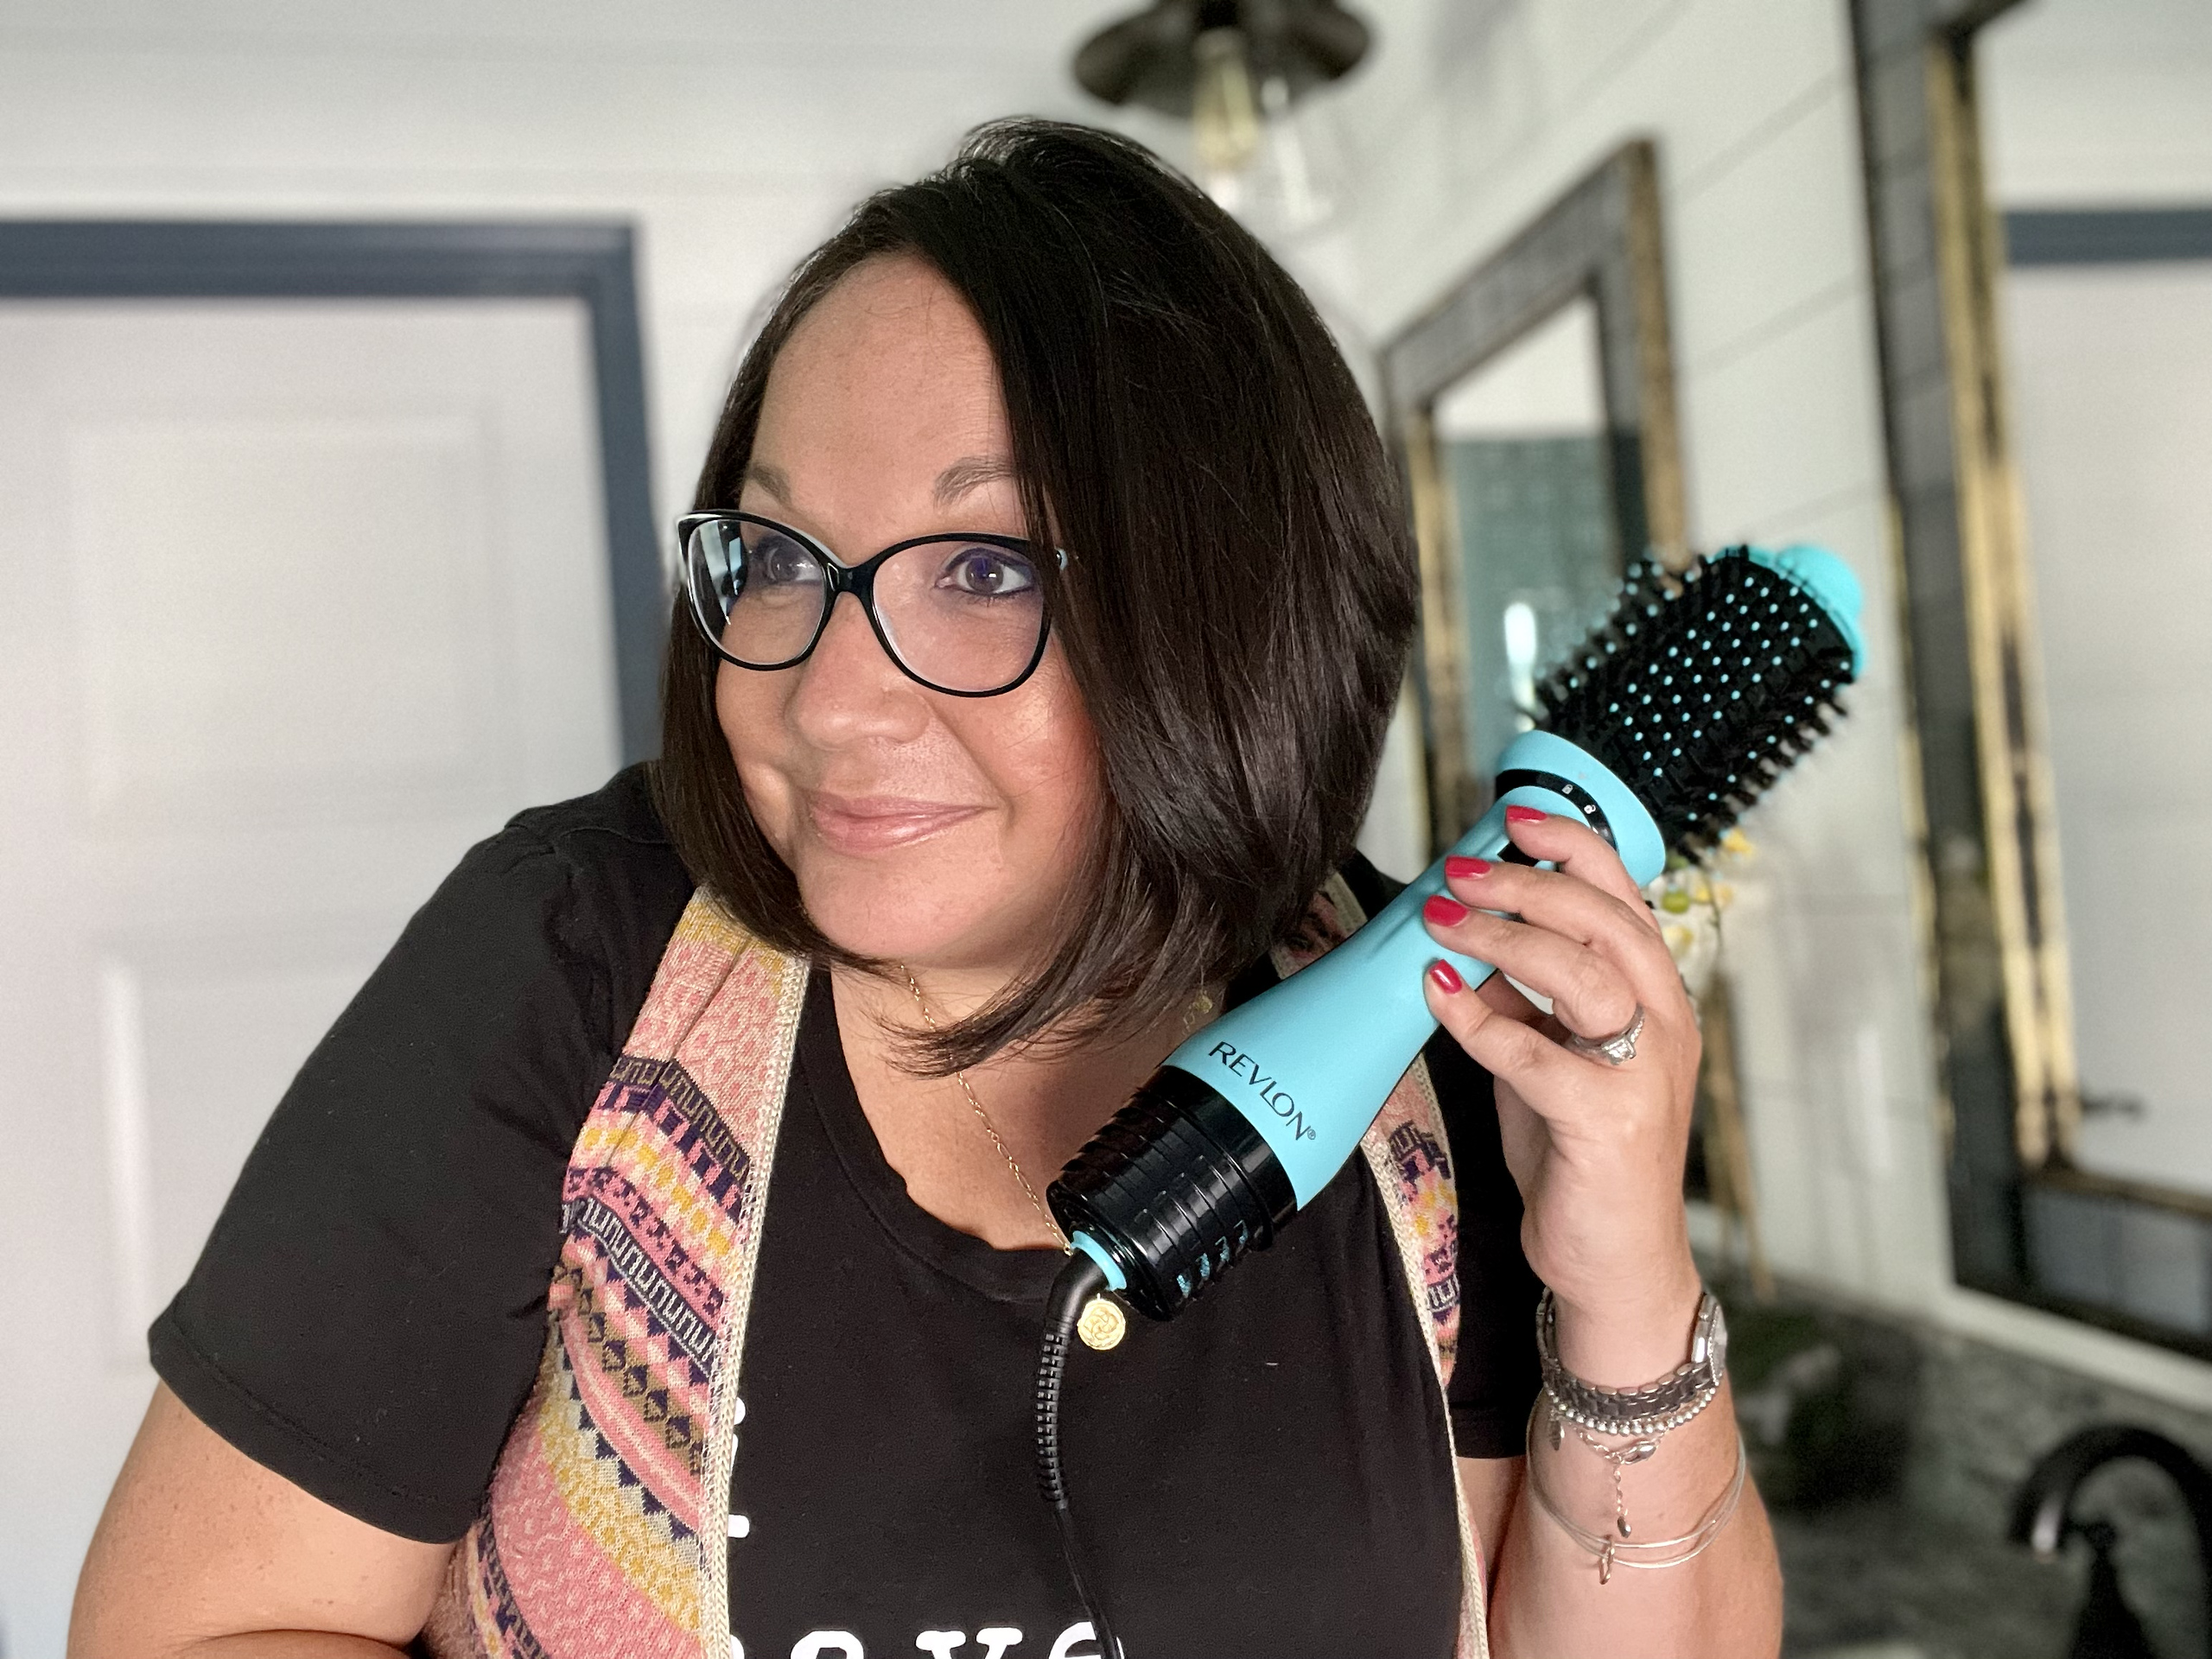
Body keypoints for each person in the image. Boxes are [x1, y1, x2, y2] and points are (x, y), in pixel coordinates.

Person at [70, 121, 1781, 1659]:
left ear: (1230, 612)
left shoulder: (1444, 1061)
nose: (823, 701)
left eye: (983, 567)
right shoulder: (575, 959)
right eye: (776, 557)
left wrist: (1622, 1275)